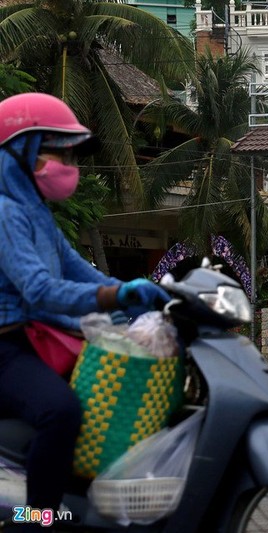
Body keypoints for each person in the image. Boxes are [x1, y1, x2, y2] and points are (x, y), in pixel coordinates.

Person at [0, 92, 170, 523]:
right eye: (58, 152)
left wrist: (141, 292)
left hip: (34, 340)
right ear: (20, 153)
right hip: (7, 347)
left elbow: (82, 273)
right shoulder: (4, 213)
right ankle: (37, 520)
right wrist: (116, 296)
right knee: (62, 412)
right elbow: (39, 289)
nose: (68, 164)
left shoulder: (36, 214)